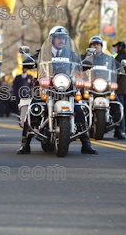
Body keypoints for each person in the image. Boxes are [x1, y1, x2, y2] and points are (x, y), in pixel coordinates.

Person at [17, 26, 97, 155]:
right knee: (33, 107)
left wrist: (84, 64)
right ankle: (25, 143)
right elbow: (31, 60)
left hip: (66, 87)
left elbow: (78, 63)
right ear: (52, 39)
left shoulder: (70, 54)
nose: (61, 41)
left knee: (79, 109)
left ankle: (86, 143)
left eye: (63, 38)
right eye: (58, 38)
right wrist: (29, 61)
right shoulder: (43, 52)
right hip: (46, 87)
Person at [83, 36, 125, 139]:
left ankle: (118, 129)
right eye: (93, 45)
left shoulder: (108, 58)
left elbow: (117, 66)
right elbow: (76, 65)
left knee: (116, 104)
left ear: (101, 46)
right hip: (89, 87)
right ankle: (78, 127)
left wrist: (120, 69)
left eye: (98, 45)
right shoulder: (86, 57)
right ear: (90, 47)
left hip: (104, 87)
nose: (96, 47)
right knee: (79, 103)